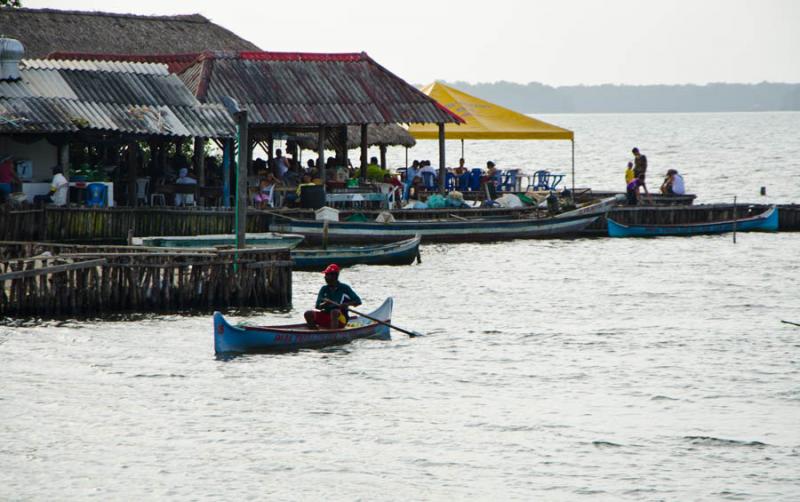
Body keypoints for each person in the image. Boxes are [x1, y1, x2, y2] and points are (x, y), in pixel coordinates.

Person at [304, 264, 362, 329]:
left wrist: (346, 304)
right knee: (308, 313)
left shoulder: (344, 288)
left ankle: (334, 334)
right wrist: (324, 304)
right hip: (326, 316)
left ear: (334, 276)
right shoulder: (324, 289)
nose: (325, 277)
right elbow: (317, 306)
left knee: (334, 312)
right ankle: (314, 332)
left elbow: (358, 301)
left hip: (341, 319)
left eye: (327, 275)